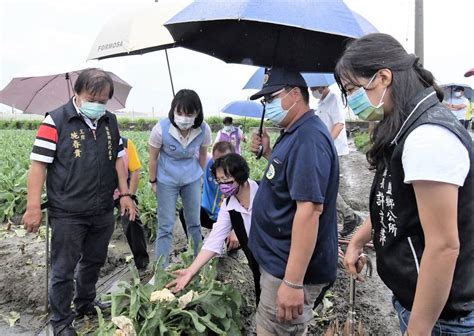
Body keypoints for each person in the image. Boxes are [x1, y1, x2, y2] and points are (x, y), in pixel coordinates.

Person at [337, 33, 473, 335]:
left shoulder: (428, 138)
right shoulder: (405, 128)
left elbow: (443, 247)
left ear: (384, 77)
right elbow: (394, 200)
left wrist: (418, 330)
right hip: (420, 306)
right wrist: (358, 240)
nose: (353, 103)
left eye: (353, 90)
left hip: (444, 319)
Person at [21, 68, 137, 336]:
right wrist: (33, 206)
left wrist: (126, 195)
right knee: (63, 269)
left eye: (103, 100)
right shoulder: (56, 121)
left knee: (94, 260)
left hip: (102, 209)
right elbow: (38, 165)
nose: (97, 105)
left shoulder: (110, 121)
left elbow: (119, 160)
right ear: (77, 93)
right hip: (68, 212)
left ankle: (85, 302)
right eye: (92, 98)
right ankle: (61, 321)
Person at [249, 68, 339, 335]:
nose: (269, 105)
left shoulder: (308, 139)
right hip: (277, 261)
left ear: (295, 94)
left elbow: (309, 211)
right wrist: (268, 152)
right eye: (265, 102)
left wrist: (292, 281)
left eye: (272, 98)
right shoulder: (294, 132)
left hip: (287, 270)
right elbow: (289, 180)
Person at [167, 153, 260, 298]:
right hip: (258, 266)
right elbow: (214, 241)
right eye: (219, 181)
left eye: (226, 179)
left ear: (241, 176)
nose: (223, 185)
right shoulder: (229, 205)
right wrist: (191, 271)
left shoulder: (264, 192)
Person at [148, 89, 211, 269]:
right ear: (173, 111)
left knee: (194, 224)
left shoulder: (204, 129)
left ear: (197, 113)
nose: (184, 118)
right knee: (165, 226)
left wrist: (200, 176)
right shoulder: (160, 129)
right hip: (166, 180)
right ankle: (161, 270)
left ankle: (197, 267)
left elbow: (203, 154)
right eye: (180, 113)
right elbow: (153, 158)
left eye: (189, 114)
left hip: (191, 179)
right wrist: (153, 182)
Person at [311, 85, 362, 237]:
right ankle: (348, 217)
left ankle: (348, 216)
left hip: (333, 150)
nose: (311, 91)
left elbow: (339, 124)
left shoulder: (333, 99)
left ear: (322, 86)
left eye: (313, 88)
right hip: (325, 149)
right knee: (325, 186)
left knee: (326, 187)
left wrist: (326, 143)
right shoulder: (321, 102)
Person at [178, 141, 239, 250]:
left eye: (223, 161)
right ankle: (196, 244)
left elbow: (247, 208)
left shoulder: (239, 175)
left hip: (228, 221)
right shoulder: (207, 164)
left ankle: (233, 244)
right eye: (216, 161)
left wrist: (235, 230)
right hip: (209, 215)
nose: (219, 166)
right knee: (185, 211)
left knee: (234, 243)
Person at [113, 136, 149, 270]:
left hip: (123, 190)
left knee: (131, 218)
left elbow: (135, 170)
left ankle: (142, 262)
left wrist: (131, 196)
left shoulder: (127, 144)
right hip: (100, 192)